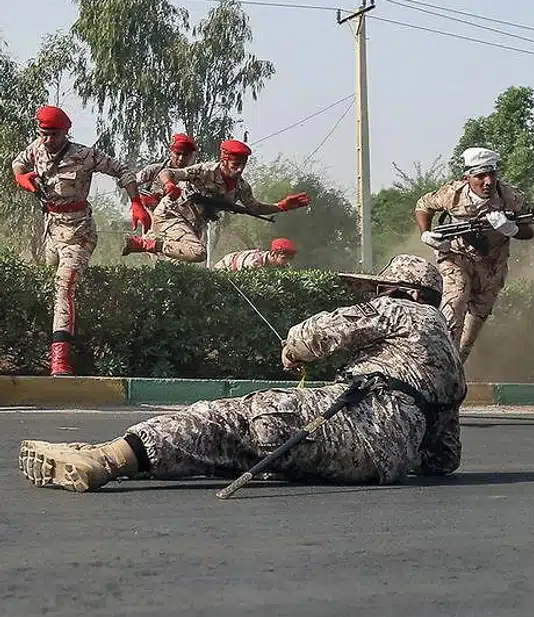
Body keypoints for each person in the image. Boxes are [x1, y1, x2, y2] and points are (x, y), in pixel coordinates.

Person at [18, 255, 467, 493]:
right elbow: (444, 458)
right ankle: (115, 455)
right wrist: (396, 452)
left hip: (354, 422)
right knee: (235, 449)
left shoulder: (401, 310)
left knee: (224, 421)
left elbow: (319, 333)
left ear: (401, 291)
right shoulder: (451, 359)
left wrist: (293, 348)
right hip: (379, 466)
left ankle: (108, 459)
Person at [11, 105, 149, 375]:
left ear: (66, 132)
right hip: (51, 230)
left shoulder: (85, 155)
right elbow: (18, 163)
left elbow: (123, 171)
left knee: (64, 285)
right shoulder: (37, 147)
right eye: (44, 133)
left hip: (78, 233)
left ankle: (60, 360)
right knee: (48, 283)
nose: (48, 140)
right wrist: (22, 178)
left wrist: (136, 203)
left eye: (54, 134)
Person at [414, 146, 534, 360]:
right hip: (456, 257)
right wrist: (426, 234)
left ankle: (454, 369)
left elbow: (532, 228)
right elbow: (423, 205)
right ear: (467, 177)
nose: (488, 181)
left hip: (492, 266)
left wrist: (512, 229)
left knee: (469, 335)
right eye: (480, 176)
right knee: (455, 303)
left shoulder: (511, 196)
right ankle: (439, 361)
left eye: (492, 174)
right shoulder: (452, 194)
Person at [122, 139, 310, 264]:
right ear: (224, 160)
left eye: (243, 165)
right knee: (198, 253)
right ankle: (145, 243)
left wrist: (281, 206)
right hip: (172, 214)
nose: (239, 170)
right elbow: (167, 172)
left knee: (178, 266)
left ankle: (147, 245)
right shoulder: (205, 171)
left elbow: (255, 207)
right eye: (235, 165)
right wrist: (169, 184)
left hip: (194, 225)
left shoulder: (241, 187)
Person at [212, 238, 299, 270]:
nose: (287, 261)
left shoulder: (284, 266)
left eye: (290, 258)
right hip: (226, 266)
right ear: (273, 254)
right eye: (284, 258)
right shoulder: (253, 263)